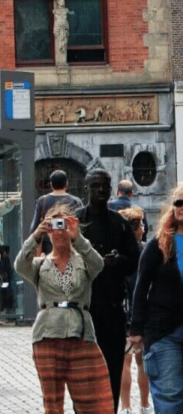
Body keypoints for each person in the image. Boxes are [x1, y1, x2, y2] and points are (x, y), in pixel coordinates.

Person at [15, 204, 112, 414]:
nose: (59, 232)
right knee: (52, 403)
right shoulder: (40, 265)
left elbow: (99, 264)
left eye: (63, 225)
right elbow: (20, 266)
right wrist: (35, 236)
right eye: (54, 226)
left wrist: (78, 237)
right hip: (47, 337)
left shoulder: (84, 262)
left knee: (95, 402)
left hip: (81, 335)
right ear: (48, 232)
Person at [77, 167, 140, 409]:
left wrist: (117, 262)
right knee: (82, 372)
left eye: (105, 185)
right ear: (86, 189)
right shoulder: (77, 221)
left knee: (112, 369)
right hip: (83, 310)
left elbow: (133, 261)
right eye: (95, 186)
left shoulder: (120, 224)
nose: (101, 190)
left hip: (112, 310)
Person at [129, 183, 183, 414]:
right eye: (178, 202)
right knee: (170, 400)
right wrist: (136, 330)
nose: (181, 207)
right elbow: (141, 288)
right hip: (164, 332)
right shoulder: (159, 245)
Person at [118, 206, 151, 414]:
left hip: (123, 311)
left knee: (125, 361)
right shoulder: (145, 251)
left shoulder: (118, 253)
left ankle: (125, 407)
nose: (144, 228)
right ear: (137, 228)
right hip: (142, 312)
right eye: (141, 225)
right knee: (142, 361)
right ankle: (145, 405)